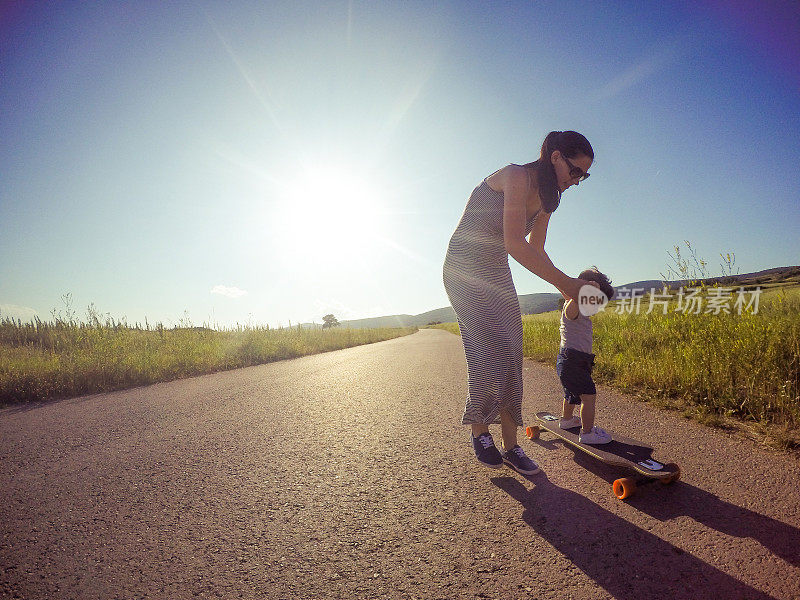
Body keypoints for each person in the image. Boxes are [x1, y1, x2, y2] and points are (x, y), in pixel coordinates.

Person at [443, 130, 594, 475]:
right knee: (486, 348)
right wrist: (567, 284)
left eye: (583, 176)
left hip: (495, 268)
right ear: (555, 156)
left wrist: (572, 285)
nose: (576, 180)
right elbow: (514, 241)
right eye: (575, 171)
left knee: (512, 350)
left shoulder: (549, 201)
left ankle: (512, 446)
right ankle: (480, 430)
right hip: (463, 266)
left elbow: (537, 251)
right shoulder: (514, 176)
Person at [556, 267, 615, 444]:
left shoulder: (580, 304)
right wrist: (582, 291)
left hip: (574, 360)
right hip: (572, 360)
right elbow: (569, 312)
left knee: (571, 393)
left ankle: (566, 420)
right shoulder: (574, 304)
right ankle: (587, 433)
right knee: (588, 396)